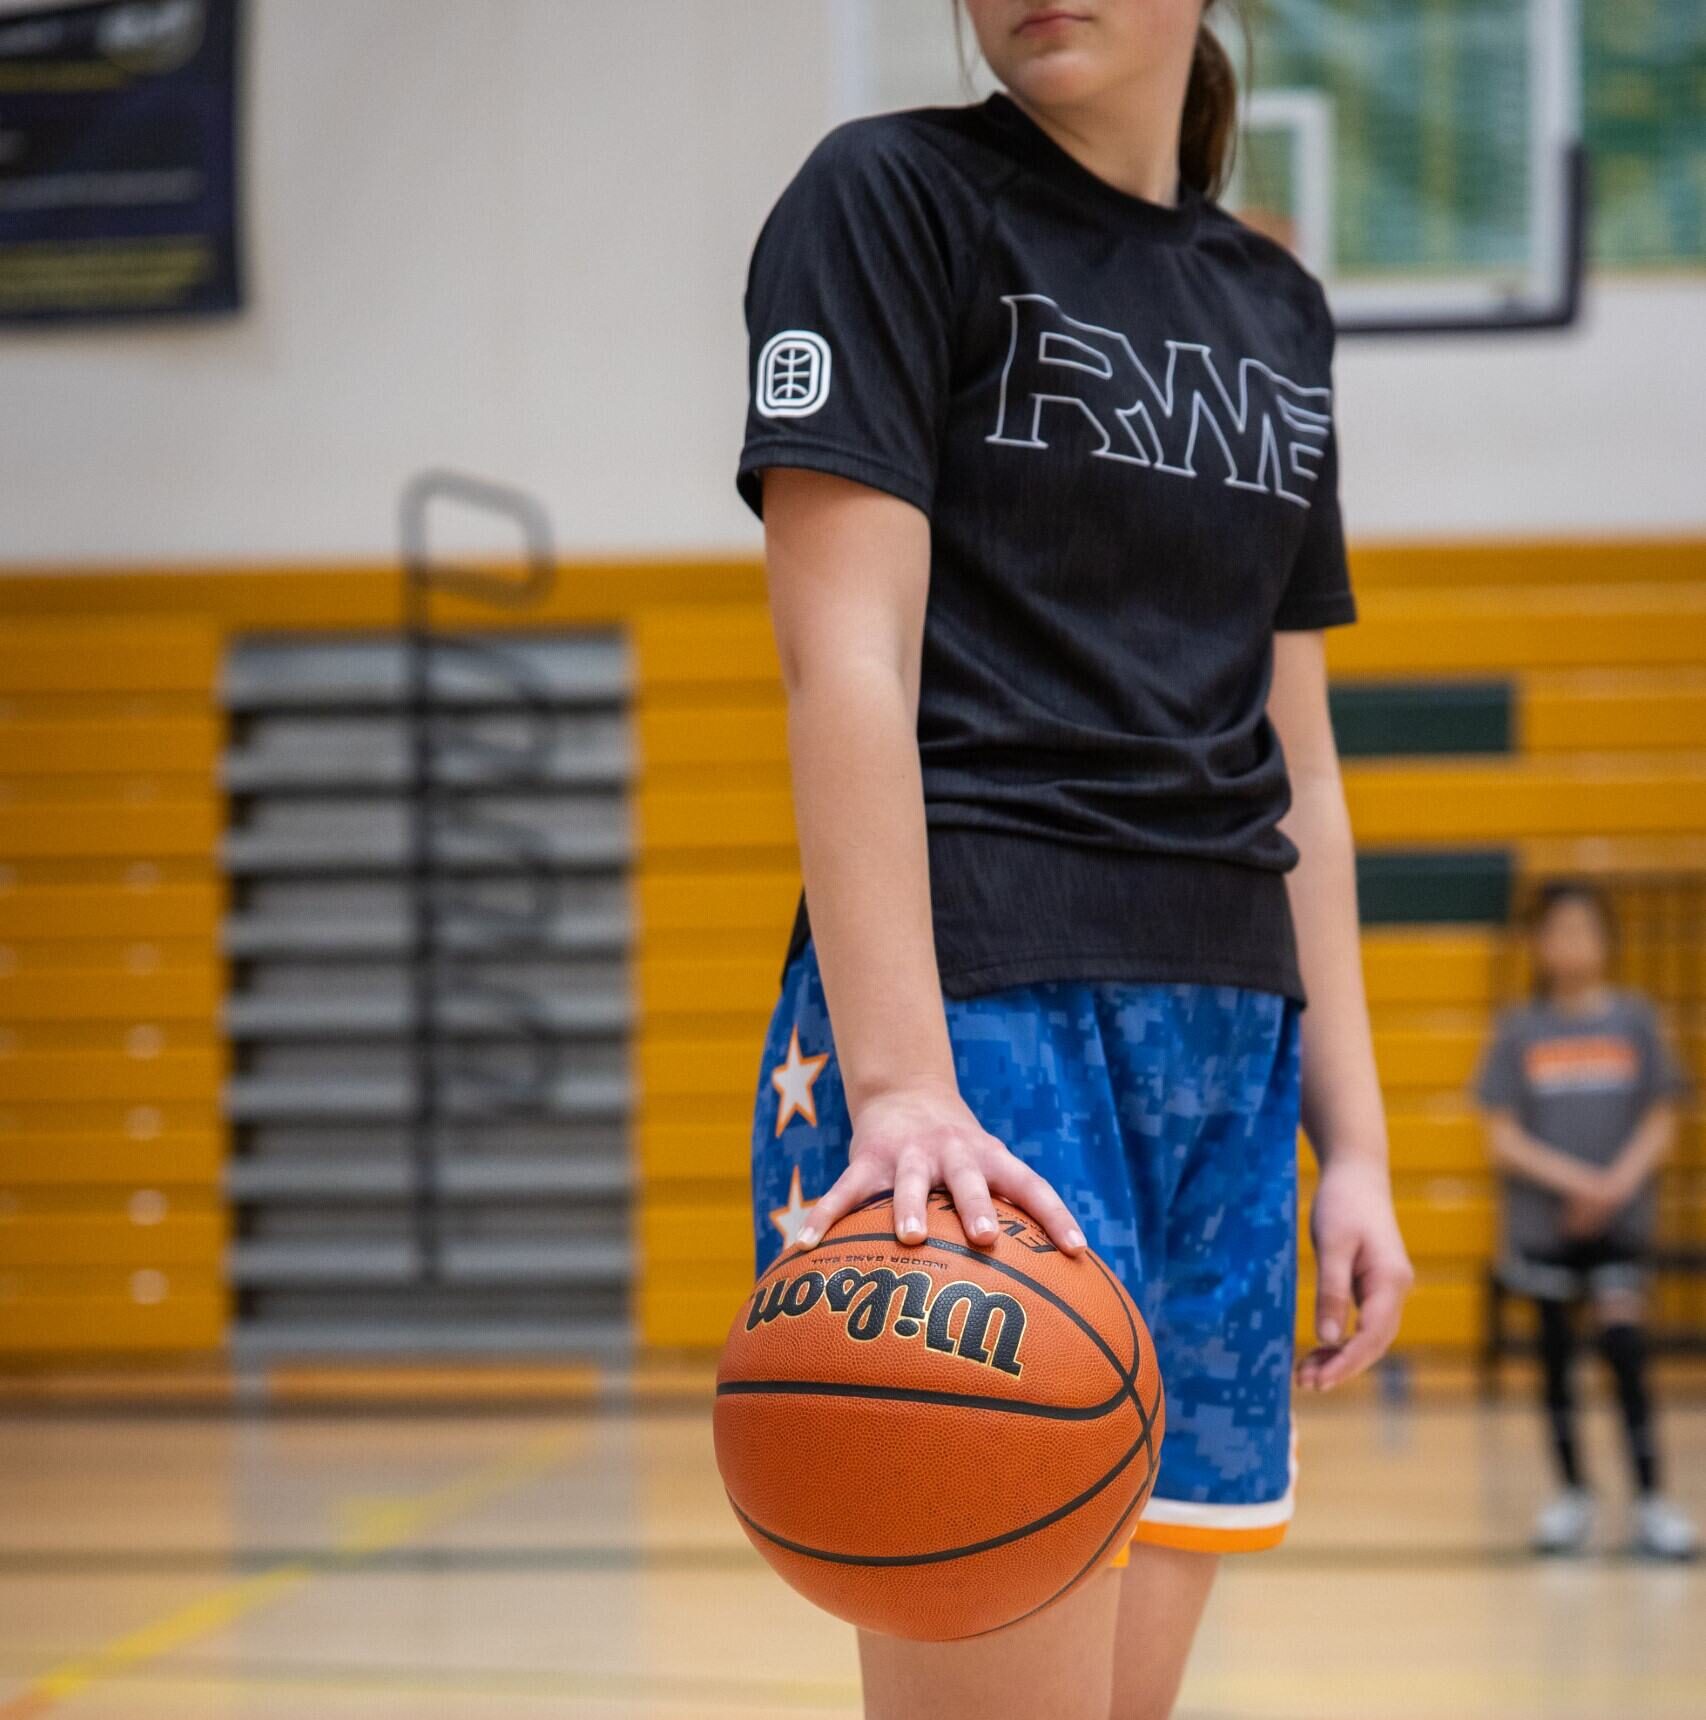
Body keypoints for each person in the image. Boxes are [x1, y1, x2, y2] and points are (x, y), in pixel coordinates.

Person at [737, 4, 1413, 1715]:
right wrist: (901, 1088)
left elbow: (1303, 766)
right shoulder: (888, 199)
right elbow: (847, 666)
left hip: (1230, 1053)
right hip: (979, 1030)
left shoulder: (1276, 307)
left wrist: (1359, 1147)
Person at [1474, 879, 1697, 1561]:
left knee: (1627, 1356)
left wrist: (1615, 1184)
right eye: (1557, 930)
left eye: (1583, 929)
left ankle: (1652, 1499)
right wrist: (1576, 1183)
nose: (1570, 943)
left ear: (1606, 939)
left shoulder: (1635, 1020)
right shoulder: (1520, 1029)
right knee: (1555, 1364)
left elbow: (1663, 1116)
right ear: (1538, 944)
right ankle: (1572, 1495)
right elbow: (1500, 1135)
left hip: (1619, 1226)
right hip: (1545, 1229)